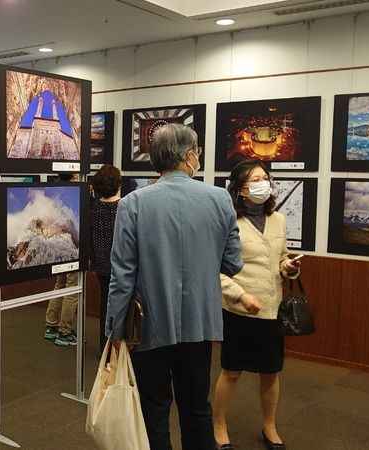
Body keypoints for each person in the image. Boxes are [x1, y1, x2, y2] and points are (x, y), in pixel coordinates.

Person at [105, 123, 243, 450]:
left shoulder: (133, 204)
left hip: (148, 326)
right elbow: (234, 263)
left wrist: (114, 331)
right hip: (199, 324)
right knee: (197, 409)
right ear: (190, 155)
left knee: (153, 410)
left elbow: (121, 274)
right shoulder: (220, 199)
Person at [212, 160, 301, 450]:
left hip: (271, 309)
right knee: (232, 371)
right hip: (239, 310)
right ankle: (219, 426)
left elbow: (281, 258)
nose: (262, 183)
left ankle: (270, 426)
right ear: (239, 189)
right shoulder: (228, 222)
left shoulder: (278, 219)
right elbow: (216, 270)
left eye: (265, 177)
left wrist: (289, 267)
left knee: (270, 371)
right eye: (254, 180)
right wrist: (240, 295)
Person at [44, 172, 80, 347]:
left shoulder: (54, 192)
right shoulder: (75, 192)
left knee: (59, 285)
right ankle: (64, 332)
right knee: (72, 290)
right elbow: (72, 227)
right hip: (71, 249)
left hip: (57, 249)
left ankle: (51, 326)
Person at [88, 165, 122, 352]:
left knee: (105, 306)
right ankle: (120, 348)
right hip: (122, 267)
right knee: (122, 307)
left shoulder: (93, 209)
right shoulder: (125, 208)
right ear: (118, 184)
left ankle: (105, 347)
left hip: (100, 266)